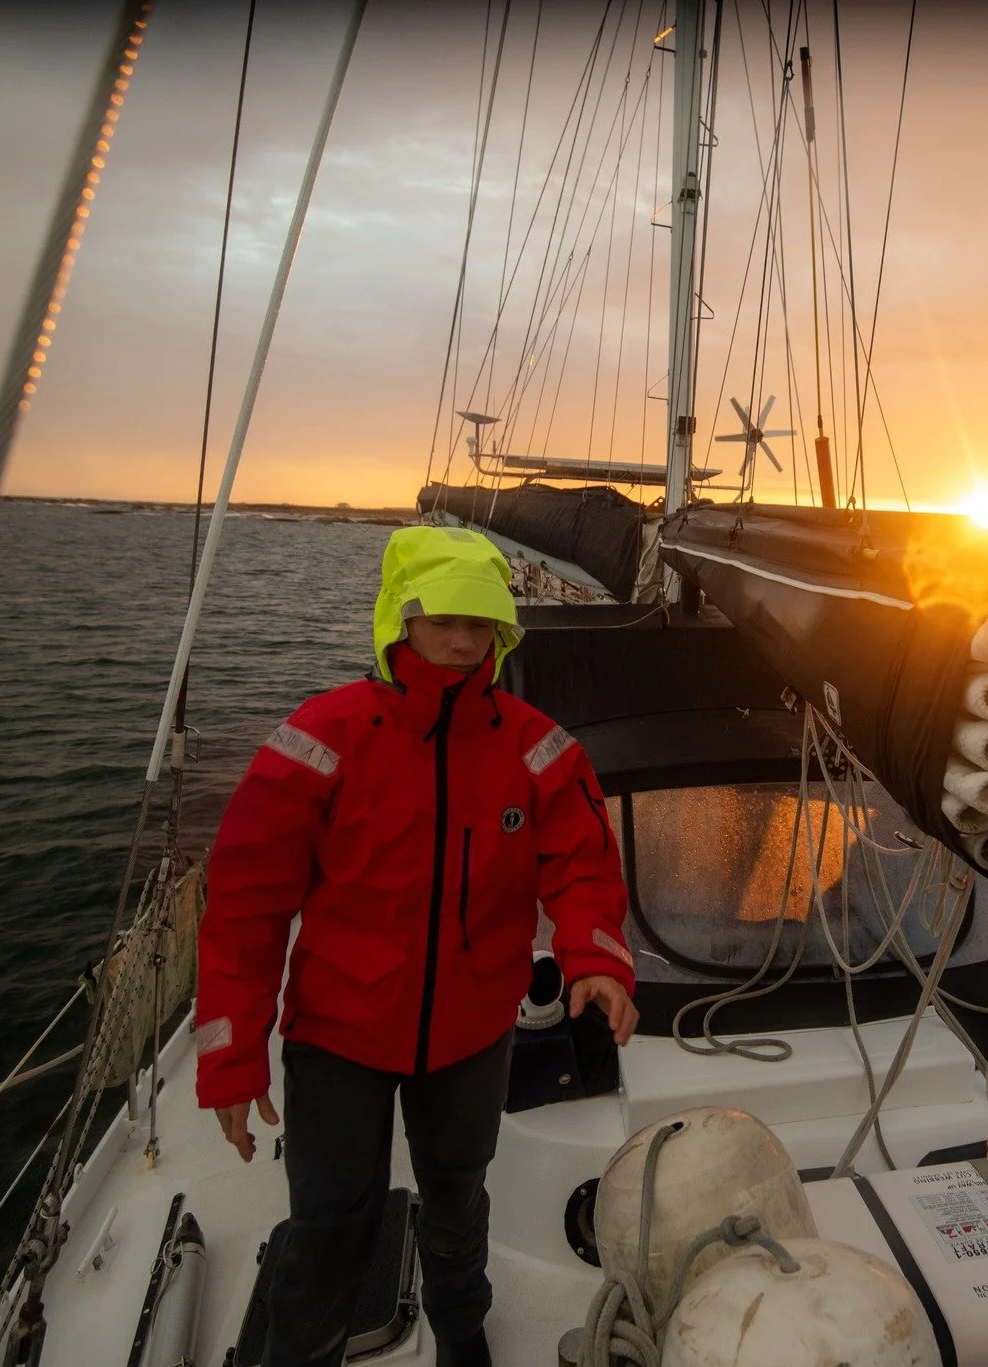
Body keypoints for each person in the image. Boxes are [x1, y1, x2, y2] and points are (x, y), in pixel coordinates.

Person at [194, 526, 638, 1367]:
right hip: (338, 1034)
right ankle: (301, 1351)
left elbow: (582, 866)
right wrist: (230, 1055)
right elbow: (246, 904)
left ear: (504, 629)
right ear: (402, 622)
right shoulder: (325, 736)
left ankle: (462, 1333)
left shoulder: (537, 748)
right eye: (445, 621)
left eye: (482, 622)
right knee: (328, 1221)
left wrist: (597, 961)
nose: (465, 642)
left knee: (457, 1203)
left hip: (471, 1036)